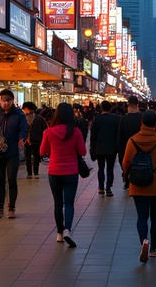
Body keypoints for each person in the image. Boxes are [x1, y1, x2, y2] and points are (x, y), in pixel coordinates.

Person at [121, 109, 156, 262]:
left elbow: (126, 163)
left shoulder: (132, 140)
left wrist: (127, 173)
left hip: (139, 185)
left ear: (141, 123)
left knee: (142, 217)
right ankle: (153, 250)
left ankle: (144, 241)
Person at [39, 102, 87, 248]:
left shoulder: (48, 132)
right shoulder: (76, 132)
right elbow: (83, 152)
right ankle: (67, 230)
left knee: (58, 203)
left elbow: (42, 151)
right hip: (71, 172)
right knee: (69, 203)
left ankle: (59, 233)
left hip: (54, 172)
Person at [0, 89, 28, 218]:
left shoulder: (19, 114)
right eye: (3, 100)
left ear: (12, 101)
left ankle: (11, 208)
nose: (5, 103)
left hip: (12, 152)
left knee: (11, 180)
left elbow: (23, 129)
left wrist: (22, 138)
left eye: (8, 100)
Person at [89, 99, 120, 196]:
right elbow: (118, 134)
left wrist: (92, 147)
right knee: (110, 168)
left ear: (102, 108)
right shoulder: (116, 118)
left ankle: (101, 188)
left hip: (100, 148)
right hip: (112, 148)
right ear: (111, 108)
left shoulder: (97, 119)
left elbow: (93, 134)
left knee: (101, 168)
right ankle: (109, 188)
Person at [117, 95, 145, 189]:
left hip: (127, 147)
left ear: (128, 105)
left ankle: (127, 181)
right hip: (141, 147)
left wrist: (120, 152)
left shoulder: (124, 119)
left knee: (128, 165)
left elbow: (120, 137)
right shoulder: (142, 117)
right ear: (137, 104)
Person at [22, 102, 47, 178]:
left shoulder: (23, 119)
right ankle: (33, 173)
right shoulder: (40, 119)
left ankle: (32, 173)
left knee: (31, 157)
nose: (24, 110)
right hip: (33, 141)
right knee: (33, 157)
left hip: (31, 141)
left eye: (25, 108)